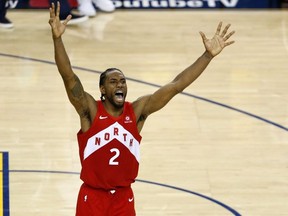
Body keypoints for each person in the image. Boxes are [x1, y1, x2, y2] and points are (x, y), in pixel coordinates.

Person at [49, 2, 235, 215]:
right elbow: (68, 76)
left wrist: (207, 56)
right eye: (113, 81)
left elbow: (176, 85)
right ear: (102, 88)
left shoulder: (137, 112)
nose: (120, 84)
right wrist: (57, 39)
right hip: (93, 197)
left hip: (123, 198)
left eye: (122, 81)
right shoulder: (90, 111)